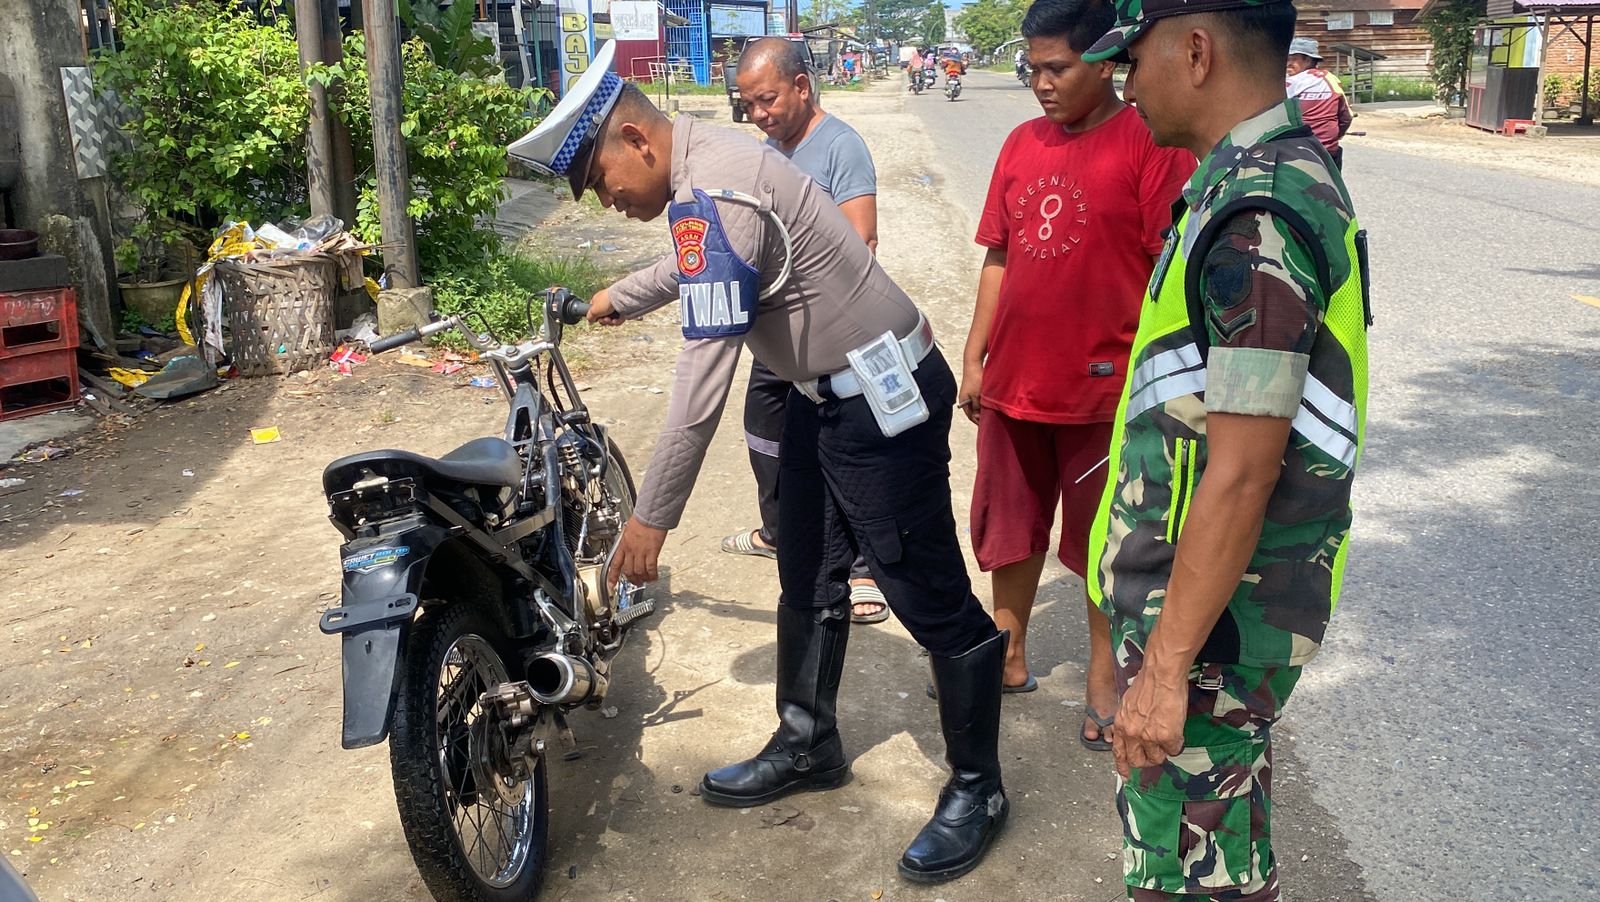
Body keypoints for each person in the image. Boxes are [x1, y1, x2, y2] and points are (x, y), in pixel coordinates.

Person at [510, 39, 1010, 885]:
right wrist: (615, 297)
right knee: (807, 571)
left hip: (884, 399)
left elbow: (706, 370)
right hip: (827, 398)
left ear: (636, 140)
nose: (605, 199)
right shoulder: (704, 169)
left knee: (919, 583)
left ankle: (979, 785)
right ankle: (809, 740)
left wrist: (651, 518)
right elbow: (698, 265)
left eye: (599, 180)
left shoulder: (715, 183)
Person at [1081, 0, 1370, 898]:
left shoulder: (1259, 213)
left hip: (1206, 626)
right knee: (1220, 855)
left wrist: (1165, 672)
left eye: (1133, 61)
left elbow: (1244, 470)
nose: (1125, 87)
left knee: (1191, 874)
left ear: (1196, 50)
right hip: (1206, 610)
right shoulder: (1246, 178)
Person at [958, 0, 1193, 749]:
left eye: (1056, 67)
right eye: (1032, 69)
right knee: (1010, 527)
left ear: (1104, 59)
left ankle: (1103, 670)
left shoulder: (1150, 144)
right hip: (1015, 383)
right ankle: (1010, 645)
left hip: (1104, 393)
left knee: (1104, 541)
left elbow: (1167, 271)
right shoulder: (1021, 143)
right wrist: (974, 356)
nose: (1041, 84)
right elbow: (999, 254)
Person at [729, 37, 889, 625]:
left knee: (845, 447)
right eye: (748, 106)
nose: (760, 114)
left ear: (802, 85)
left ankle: (862, 569)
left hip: (832, 332)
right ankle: (781, 531)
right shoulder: (768, 151)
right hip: (777, 329)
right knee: (765, 432)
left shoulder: (840, 146)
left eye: (767, 99)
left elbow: (860, 240)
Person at [1285, 38, 1353, 167]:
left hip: (1297, 151)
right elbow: (1346, 117)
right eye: (1287, 59)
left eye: (1293, 59)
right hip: (1328, 151)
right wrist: (1335, 137)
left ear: (1308, 60)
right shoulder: (1330, 79)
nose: (1288, 63)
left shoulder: (1290, 83)